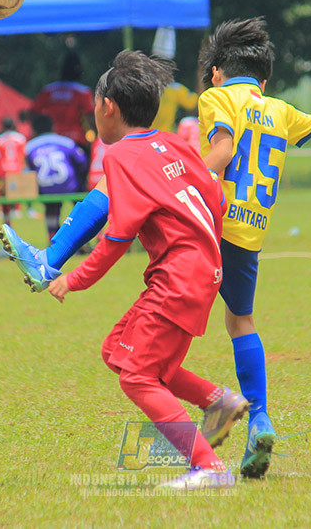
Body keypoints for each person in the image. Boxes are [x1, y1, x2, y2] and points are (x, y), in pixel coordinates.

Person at [1, 17, 311, 479]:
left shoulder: (216, 97)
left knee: (120, 184)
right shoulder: (278, 107)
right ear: (264, 79)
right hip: (248, 234)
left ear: (215, 74)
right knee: (239, 323)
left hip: (207, 225)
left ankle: (50, 260)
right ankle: (257, 418)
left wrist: (177, 175)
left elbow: (225, 150)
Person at [45, 50, 249, 491]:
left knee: (138, 376)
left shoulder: (118, 158)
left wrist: (72, 279)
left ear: (107, 107)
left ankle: (209, 468)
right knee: (118, 350)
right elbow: (214, 195)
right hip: (202, 269)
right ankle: (219, 401)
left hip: (178, 276)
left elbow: (117, 239)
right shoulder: (174, 142)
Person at [25, 115, 88, 240]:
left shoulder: (29, 147)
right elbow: (82, 162)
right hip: (70, 186)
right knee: (79, 208)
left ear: (34, 130)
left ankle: (53, 237)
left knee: (51, 210)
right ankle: (83, 239)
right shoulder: (66, 142)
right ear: (52, 127)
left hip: (46, 188)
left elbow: (28, 171)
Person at [31, 51, 95, 152]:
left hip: (52, 140)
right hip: (76, 141)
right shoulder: (83, 92)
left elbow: (33, 113)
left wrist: (39, 132)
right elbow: (91, 116)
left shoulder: (48, 91)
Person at [0, 117, 28, 225]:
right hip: (17, 166)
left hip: (5, 167)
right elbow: (23, 153)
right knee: (16, 189)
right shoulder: (20, 138)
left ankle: (5, 210)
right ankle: (17, 209)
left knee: (5, 190)